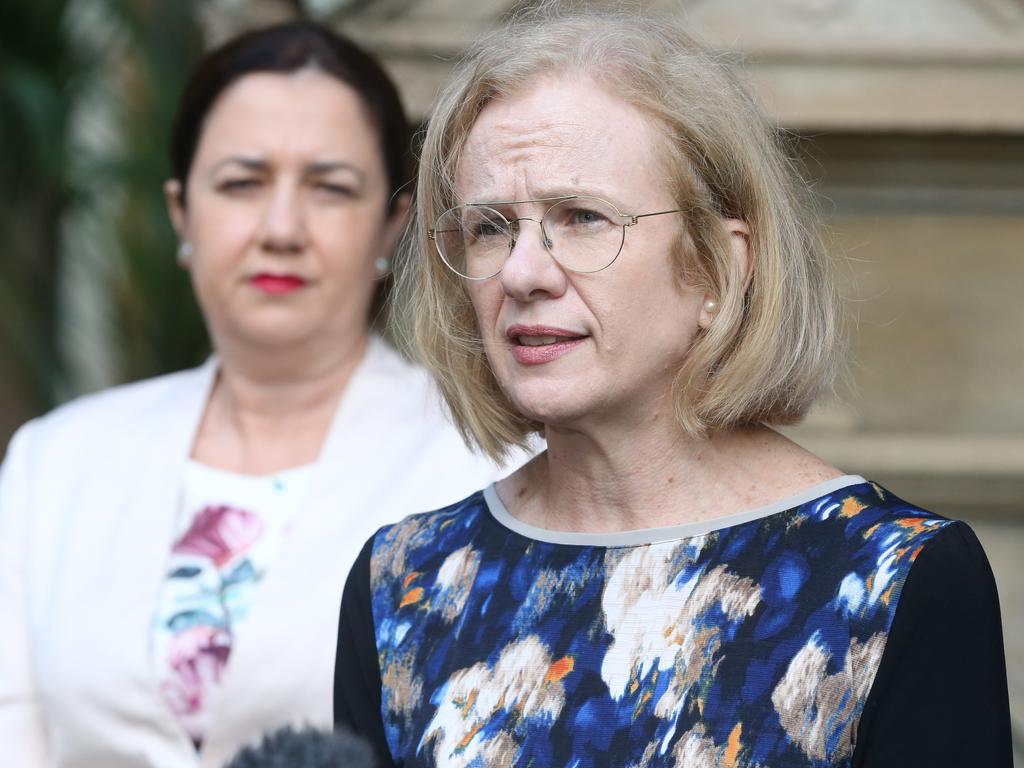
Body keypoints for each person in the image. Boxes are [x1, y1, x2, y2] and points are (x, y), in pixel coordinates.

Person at [333, 7, 1013, 767]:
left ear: (719, 268)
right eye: (491, 226)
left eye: (582, 217)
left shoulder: (896, 576)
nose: (522, 272)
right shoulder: (405, 584)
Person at [0, 21, 519, 768]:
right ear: (183, 213)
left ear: (390, 225)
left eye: (330, 187)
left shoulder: (490, 459)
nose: (281, 228)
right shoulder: (55, 462)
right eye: (242, 183)